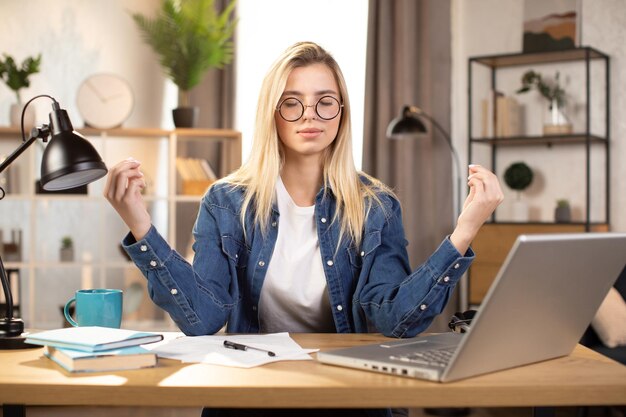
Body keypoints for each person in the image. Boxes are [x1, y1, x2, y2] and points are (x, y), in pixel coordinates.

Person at [104, 41, 503, 417]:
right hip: (250, 395)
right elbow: (203, 320)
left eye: (324, 102)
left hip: (350, 396)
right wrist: (140, 225)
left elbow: (395, 321)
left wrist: (463, 233)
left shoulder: (375, 205)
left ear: (342, 112)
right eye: (291, 103)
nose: (310, 115)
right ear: (271, 113)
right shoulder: (226, 201)